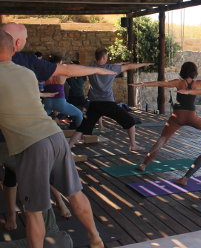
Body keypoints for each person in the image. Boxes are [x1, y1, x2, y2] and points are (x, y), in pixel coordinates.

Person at [0, 22, 115, 232]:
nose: (25, 43)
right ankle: (35, 222)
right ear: (15, 43)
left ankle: (20, 218)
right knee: (33, 185)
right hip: (29, 138)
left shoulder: (26, 62)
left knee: (23, 182)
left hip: (23, 139)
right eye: (24, 39)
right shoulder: (26, 66)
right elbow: (67, 70)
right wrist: (99, 69)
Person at [131, 61, 201, 171]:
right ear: (194, 72)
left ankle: (144, 164)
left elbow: (161, 83)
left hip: (177, 117)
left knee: (162, 140)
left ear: (183, 71)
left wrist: (143, 84)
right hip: (191, 117)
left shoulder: (179, 82)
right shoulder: (198, 84)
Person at [68, 48, 151, 151]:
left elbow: (75, 69)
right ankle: (133, 145)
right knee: (130, 121)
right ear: (104, 57)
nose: (107, 58)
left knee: (82, 128)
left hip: (94, 104)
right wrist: (144, 64)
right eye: (106, 56)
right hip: (107, 103)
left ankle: (68, 147)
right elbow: (130, 66)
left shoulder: (90, 68)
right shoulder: (111, 68)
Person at [43, 54, 84, 129]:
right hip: (59, 102)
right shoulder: (62, 73)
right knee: (79, 114)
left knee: (41, 119)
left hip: (47, 102)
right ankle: (81, 134)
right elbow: (76, 72)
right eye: (61, 63)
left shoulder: (45, 74)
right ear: (58, 63)